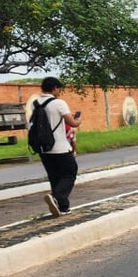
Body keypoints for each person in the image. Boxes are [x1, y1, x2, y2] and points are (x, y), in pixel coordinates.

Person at [34, 77, 81, 217]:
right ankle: (56, 197)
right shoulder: (59, 103)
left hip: (43, 148)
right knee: (70, 173)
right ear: (54, 88)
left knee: (55, 177)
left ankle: (63, 207)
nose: (59, 91)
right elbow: (72, 123)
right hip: (60, 147)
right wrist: (78, 120)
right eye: (59, 89)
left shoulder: (35, 104)